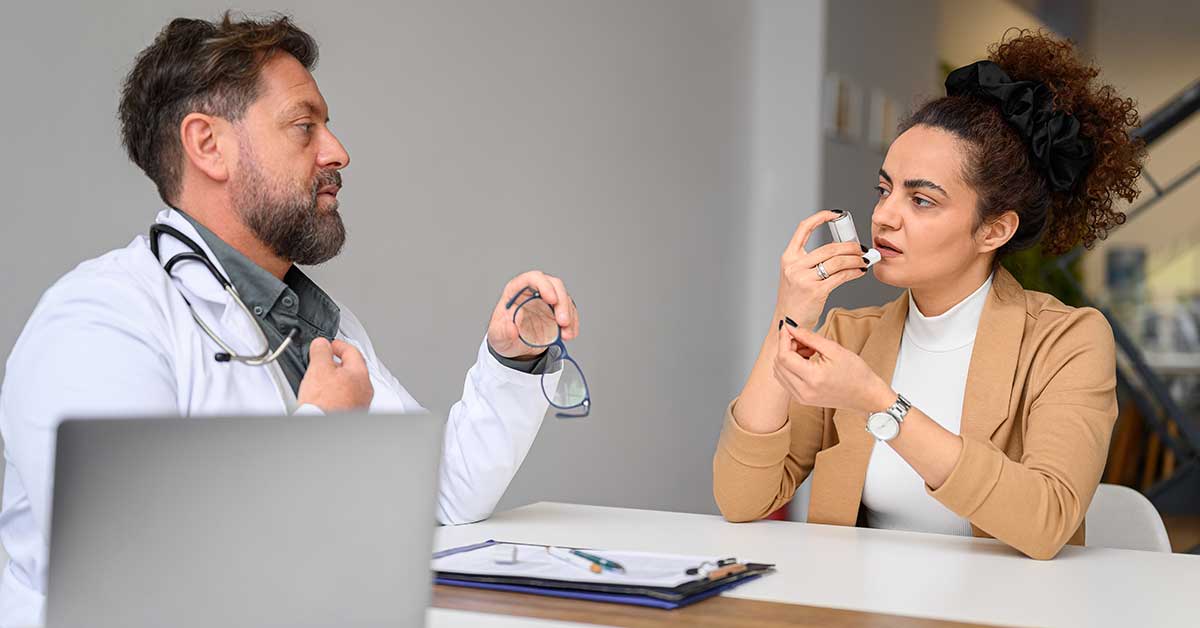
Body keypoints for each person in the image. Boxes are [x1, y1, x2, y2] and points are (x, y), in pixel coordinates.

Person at [0, 13, 582, 623]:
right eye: (305, 127)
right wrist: (323, 429)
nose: (338, 152)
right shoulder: (99, 321)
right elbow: (138, 575)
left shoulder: (305, 316)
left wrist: (511, 360)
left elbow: (440, 496)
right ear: (208, 145)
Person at [713, 30, 1145, 560]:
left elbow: (1046, 520)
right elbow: (742, 498)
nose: (884, 215)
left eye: (921, 199)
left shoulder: (1067, 342)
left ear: (994, 231)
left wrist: (877, 401)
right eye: (884, 188)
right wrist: (790, 313)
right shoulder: (853, 334)